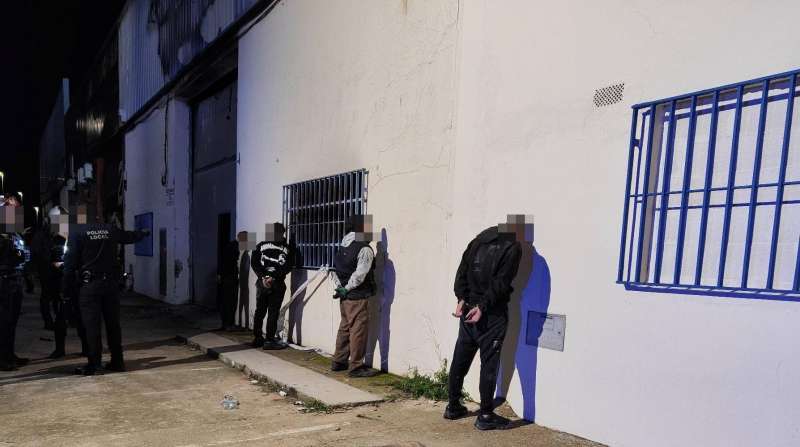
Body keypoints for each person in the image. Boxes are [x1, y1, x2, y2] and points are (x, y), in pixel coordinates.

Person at [444, 218, 525, 431]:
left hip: (468, 310)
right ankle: (486, 415)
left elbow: (461, 273)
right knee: (489, 364)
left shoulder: (478, 241)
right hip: (490, 314)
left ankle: (453, 406)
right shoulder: (513, 247)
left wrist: (462, 298)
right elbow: (501, 283)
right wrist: (482, 306)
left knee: (460, 357)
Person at [62, 205, 149, 375]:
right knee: (113, 325)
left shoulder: (77, 232)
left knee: (91, 326)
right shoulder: (110, 229)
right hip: (110, 285)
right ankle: (117, 361)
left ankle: (95, 365)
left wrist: (66, 292)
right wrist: (143, 233)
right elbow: (129, 237)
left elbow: (69, 266)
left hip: (89, 286)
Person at [330, 214, 378, 378]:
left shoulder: (343, 244)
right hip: (357, 295)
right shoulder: (364, 249)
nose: (370, 231)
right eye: (368, 227)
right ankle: (356, 366)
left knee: (345, 328)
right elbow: (360, 274)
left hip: (345, 296)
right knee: (358, 330)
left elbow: (335, 269)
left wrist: (340, 288)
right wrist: (347, 288)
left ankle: (339, 361)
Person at [46, 206, 88, 359]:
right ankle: (61, 349)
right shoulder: (56, 239)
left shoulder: (73, 236)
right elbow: (54, 262)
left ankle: (85, 348)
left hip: (73, 282)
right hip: (63, 283)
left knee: (79, 316)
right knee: (62, 317)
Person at [250, 223, 292, 350]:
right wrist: (272, 277)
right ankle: (269, 340)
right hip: (277, 283)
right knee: (272, 312)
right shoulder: (287, 248)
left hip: (263, 283)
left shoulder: (260, 245)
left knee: (260, 311)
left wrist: (263, 276)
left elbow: (255, 263)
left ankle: (258, 338)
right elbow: (287, 266)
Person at [0, 193, 29, 370]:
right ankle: (2, 359)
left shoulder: (14, 232)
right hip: (4, 280)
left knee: (11, 321)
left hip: (15, 279)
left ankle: (9, 354)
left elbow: (22, 252)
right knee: (3, 321)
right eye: (11, 208)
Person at [216, 234, 241, 331]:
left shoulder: (229, 246)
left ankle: (226, 323)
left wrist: (220, 274)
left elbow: (223, 261)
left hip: (226, 278)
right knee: (231, 302)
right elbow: (232, 262)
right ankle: (229, 324)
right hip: (230, 278)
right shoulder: (234, 246)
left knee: (226, 301)